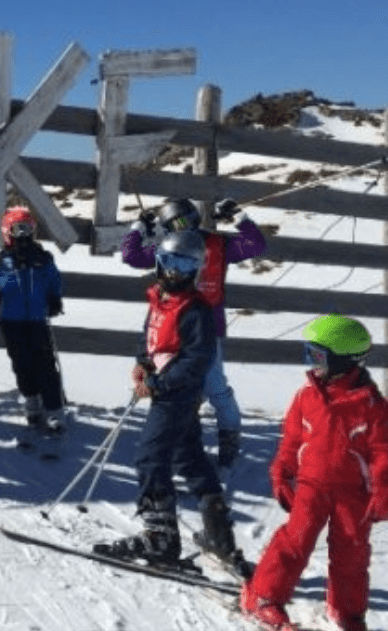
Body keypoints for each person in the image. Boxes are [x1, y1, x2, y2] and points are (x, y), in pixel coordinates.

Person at [95, 231, 251, 575]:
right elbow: (149, 336)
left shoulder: (195, 309)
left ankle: (161, 539)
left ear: (196, 269)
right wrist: (143, 363)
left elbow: (197, 360)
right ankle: (219, 536)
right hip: (167, 390)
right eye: (170, 263)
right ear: (159, 262)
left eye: (186, 266)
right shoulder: (160, 299)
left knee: (150, 458)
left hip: (176, 395)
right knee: (189, 457)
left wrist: (158, 383)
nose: (176, 272)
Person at [241, 314, 387, 631]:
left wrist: (382, 490)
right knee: (295, 541)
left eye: (318, 356)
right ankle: (262, 597)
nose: (311, 362)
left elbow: (382, 453)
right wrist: (282, 472)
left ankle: (347, 612)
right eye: (310, 353)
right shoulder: (307, 396)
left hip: (353, 493)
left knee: (352, 552)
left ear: (345, 360)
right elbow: (292, 440)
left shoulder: (372, 406)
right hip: (311, 485)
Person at [121, 197, 266, 472]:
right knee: (179, 388)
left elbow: (255, 245)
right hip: (172, 328)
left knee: (214, 386)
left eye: (184, 220)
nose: (181, 228)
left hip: (208, 328)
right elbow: (131, 256)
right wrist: (139, 228)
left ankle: (229, 439)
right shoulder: (169, 248)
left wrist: (238, 217)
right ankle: (185, 450)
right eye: (172, 224)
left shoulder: (217, 244)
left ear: (194, 217)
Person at [0, 206, 68, 434]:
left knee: (45, 364)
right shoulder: (0, 260)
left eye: (28, 229)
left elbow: (54, 279)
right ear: (8, 232)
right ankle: (32, 401)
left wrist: (55, 298)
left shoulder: (42, 258)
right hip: (11, 320)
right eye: (19, 229)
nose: (24, 234)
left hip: (37, 319)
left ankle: (54, 410)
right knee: (21, 363)